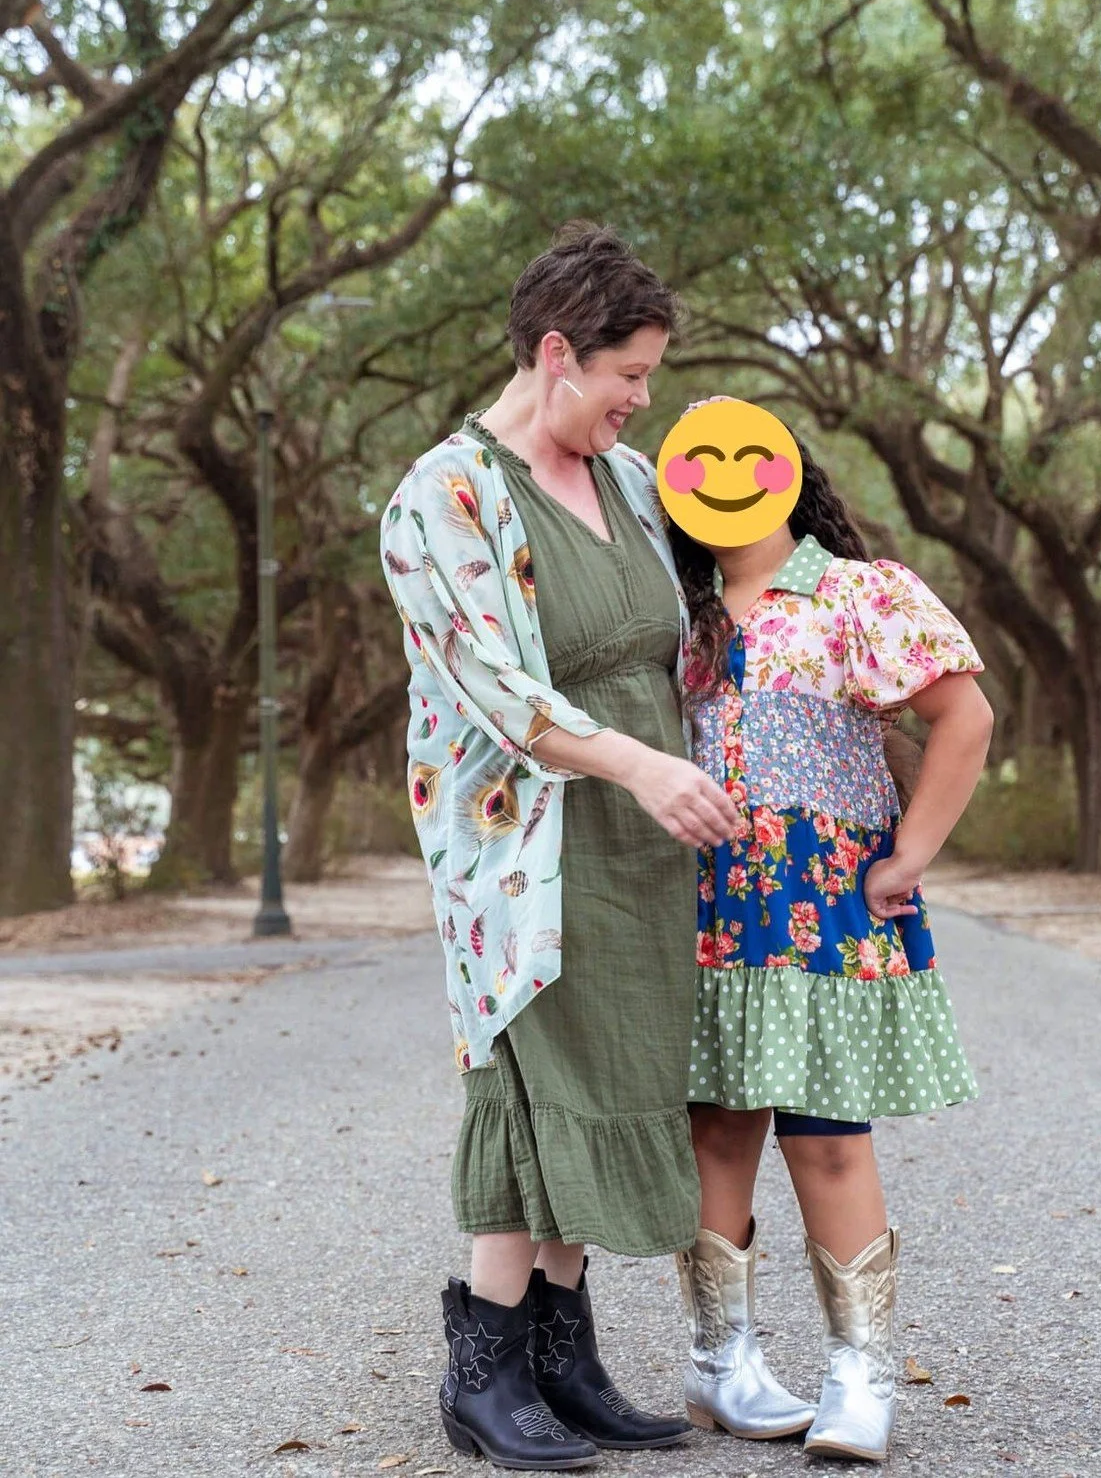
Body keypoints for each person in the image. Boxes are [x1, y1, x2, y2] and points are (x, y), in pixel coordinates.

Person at [379, 224, 740, 1471]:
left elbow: (681, 640)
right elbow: (492, 682)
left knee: (615, 1064)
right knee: (532, 1075)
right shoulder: (443, 498)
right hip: (520, 842)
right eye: (629, 374)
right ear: (554, 354)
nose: (644, 400)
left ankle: (564, 1357)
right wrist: (640, 764)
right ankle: (484, 1367)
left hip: (645, 831)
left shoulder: (630, 479)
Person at [666, 425, 993, 1463]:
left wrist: (910, 851)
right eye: (697, 463)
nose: (723, 479)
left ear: (789, 470)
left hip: (823, 906)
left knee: (830, 1136)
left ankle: (862, 1371)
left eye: (744, 456)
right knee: (716, 1131)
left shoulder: (858, 592)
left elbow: (965, 713)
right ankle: (722, 1360)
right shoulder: (678, 615)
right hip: (711, 903)